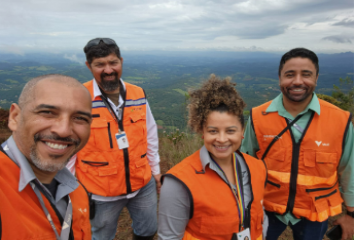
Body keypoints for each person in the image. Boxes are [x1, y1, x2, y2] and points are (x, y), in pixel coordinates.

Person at [241, 48, 354, 240]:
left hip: (314, 211)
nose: (298, 81)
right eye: (290, 74)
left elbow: (350, 169)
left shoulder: (341, 121)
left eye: (306, 74)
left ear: (317, 78)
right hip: (267, 206)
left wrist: (352, 214)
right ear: (279, 78)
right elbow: (245, 163)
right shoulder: (258, 116)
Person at [70, 38, 161, 240]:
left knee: (147, 230)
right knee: (101, 237)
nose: (108, 70)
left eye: (113, 63)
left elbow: (151, 133)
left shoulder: (138, 94)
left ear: (121, 61)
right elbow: (69, 145)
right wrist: (69, 187)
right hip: (100, 191)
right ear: (89, 66)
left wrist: (155, 170)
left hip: (142, 184)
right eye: (100, 64)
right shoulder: (79, 98)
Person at [158, 75, 268, 240]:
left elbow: (260, 216)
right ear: (202, 132)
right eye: (213, 131)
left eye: (230, 131)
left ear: (242, 132)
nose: (222, 139)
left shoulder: (258, 168)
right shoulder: (178, 182)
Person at [0, 74, 92, 239]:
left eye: (79, 118)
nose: (64, 130)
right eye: (48, 112)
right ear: (14, 118)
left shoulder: (76, 191)